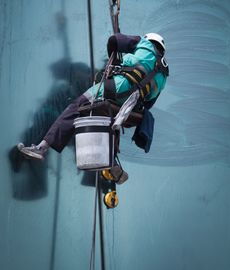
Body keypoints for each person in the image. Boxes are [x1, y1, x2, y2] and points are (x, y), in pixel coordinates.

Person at [17, 32, 169, 183]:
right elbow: (149, 103)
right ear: (161, 49)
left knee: (76, 108)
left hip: (115, 88)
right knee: (110, 121)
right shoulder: (163, 75)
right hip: (132, 108)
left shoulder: (142, 43)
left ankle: (42, 147)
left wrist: (113, 63)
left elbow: (114, 40)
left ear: (149, 40)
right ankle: (112, 163)